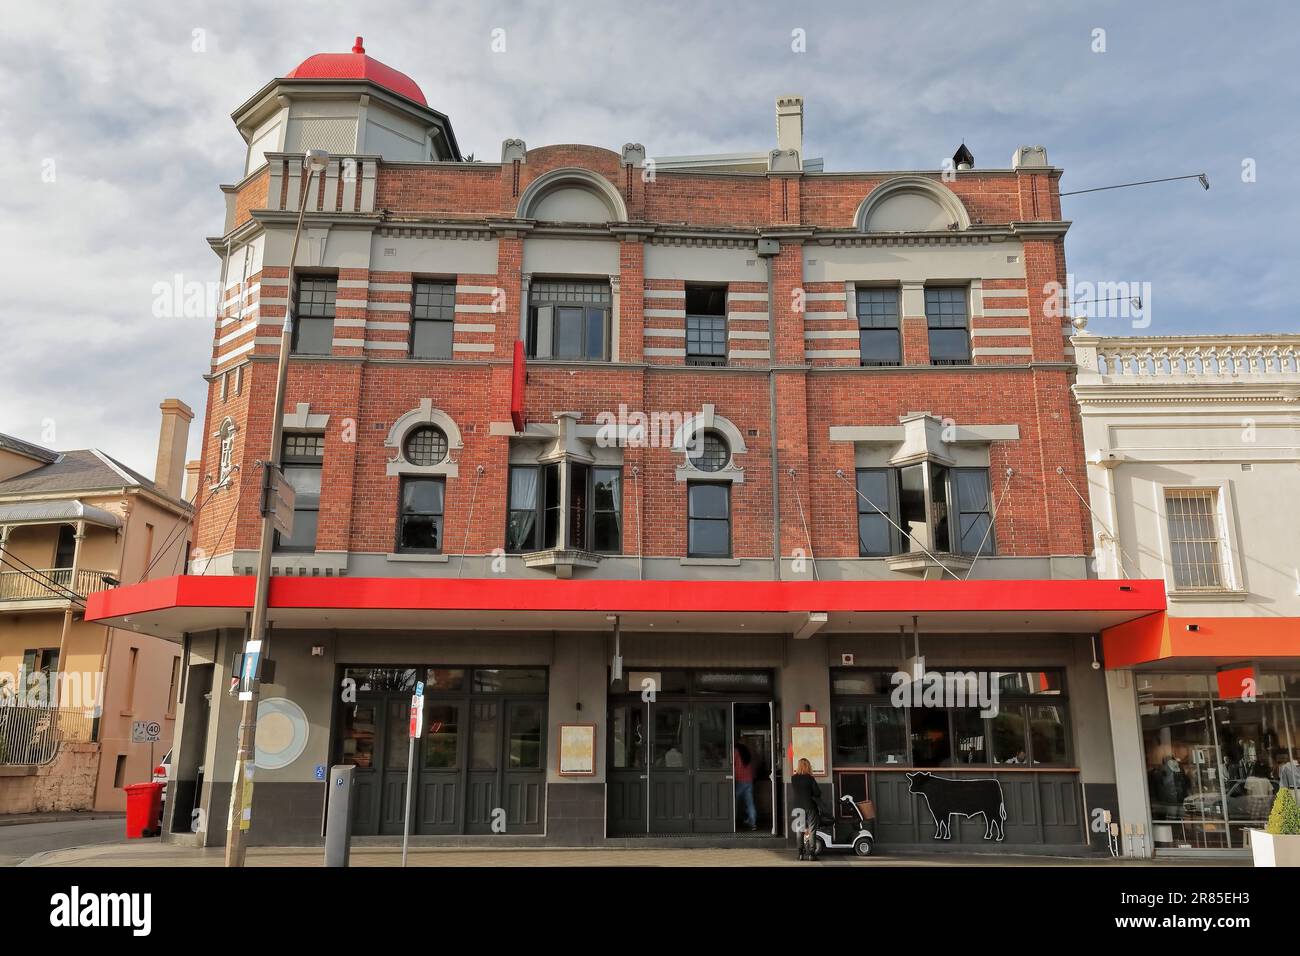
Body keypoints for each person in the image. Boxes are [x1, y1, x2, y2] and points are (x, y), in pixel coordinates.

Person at [790, 757, 825, 859]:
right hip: (810, 806)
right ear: (808, 766)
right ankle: (811, 854)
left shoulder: (793, 778)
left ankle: (800, 854)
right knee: (812, 829)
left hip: (797, 807)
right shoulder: (810, 778)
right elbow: (817, 793)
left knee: (799, 830)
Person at [734, 743, 757, 831]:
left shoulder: (736, 752)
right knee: (750, 803)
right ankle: (753, 823)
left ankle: (733, 822)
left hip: (739, 780)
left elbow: (732, 764)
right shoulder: (748, 753)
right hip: (749, 780)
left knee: (734, 802)